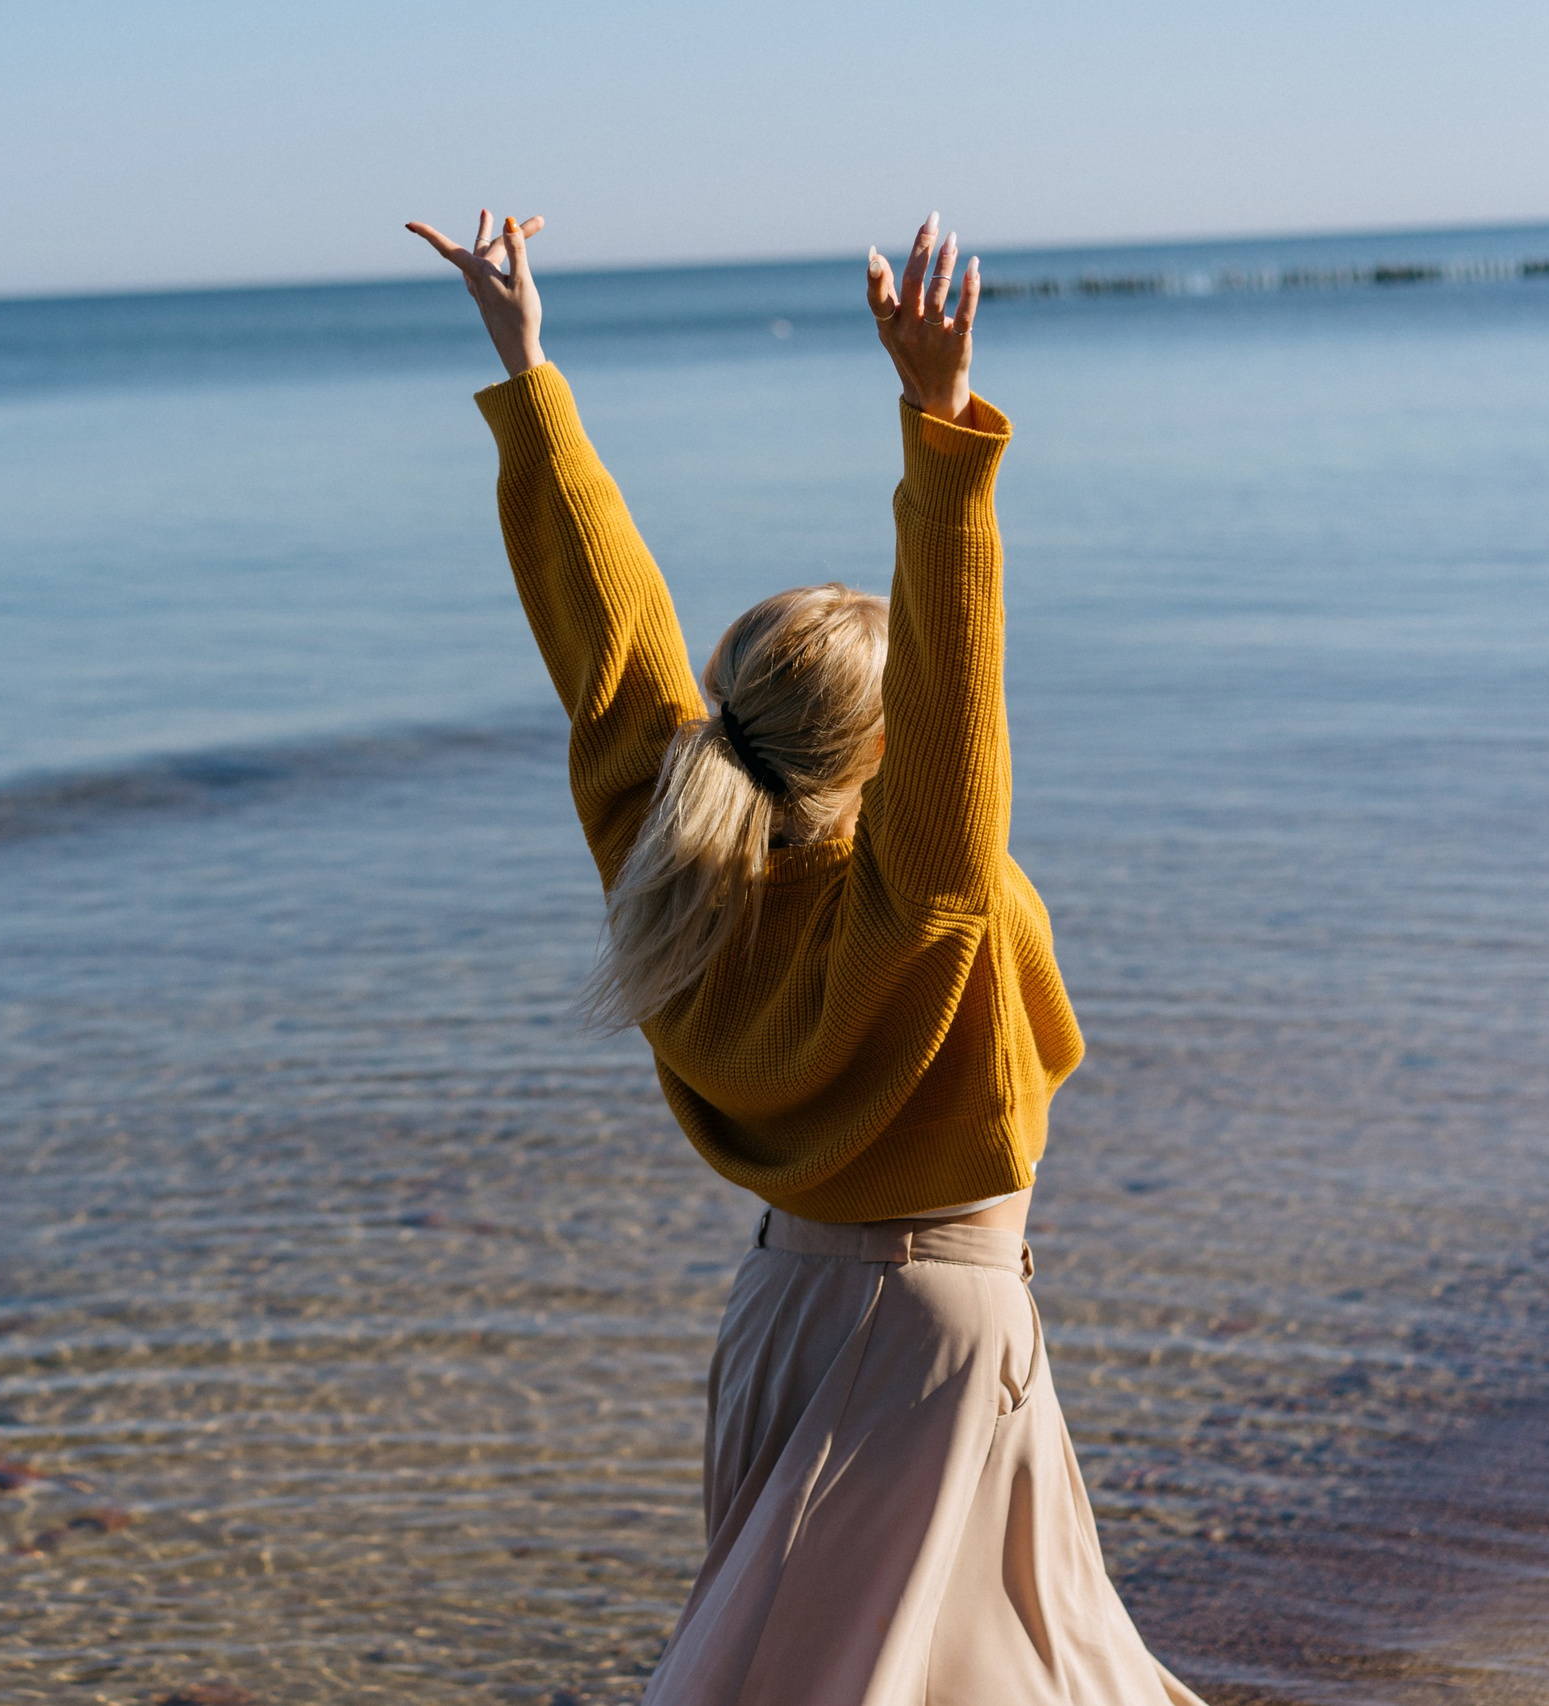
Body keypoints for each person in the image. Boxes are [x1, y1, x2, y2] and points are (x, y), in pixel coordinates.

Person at [406, 207, 1205, 1706]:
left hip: (785, 1315)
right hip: (936, 1339)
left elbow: (603, 638)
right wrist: (940, 426)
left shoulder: (674, 860)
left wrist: (530, 377)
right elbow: (960, 684)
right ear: (889, 759)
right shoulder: (918, 890)